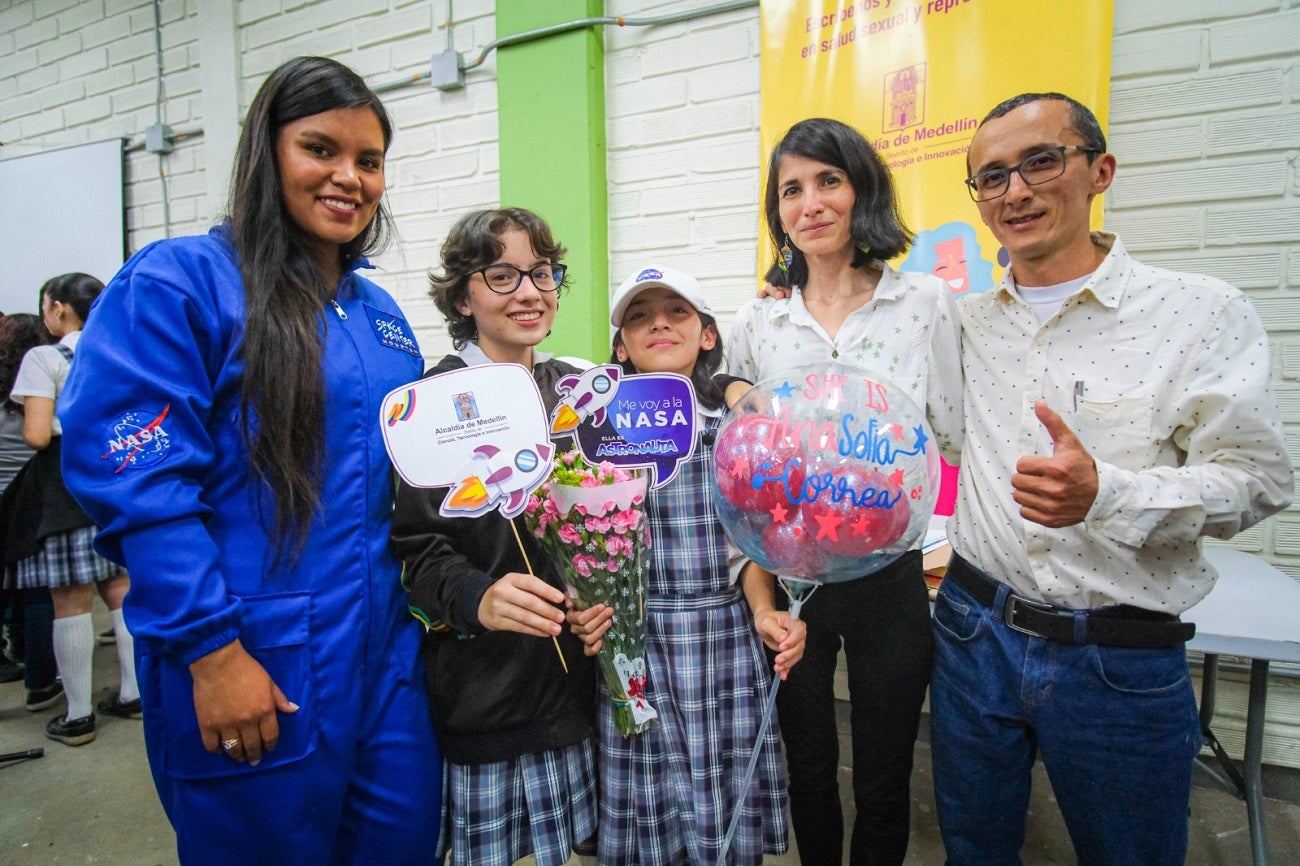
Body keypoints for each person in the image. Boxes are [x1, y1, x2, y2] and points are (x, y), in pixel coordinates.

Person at [57, 56, 441, 864]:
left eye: (368, 161)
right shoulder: (180, 287)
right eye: (320, 149)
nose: (349, 177)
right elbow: (143, 485)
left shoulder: (381, 317)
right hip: (255, 655)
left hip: (386, 666)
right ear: (267, 154)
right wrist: (211, 652)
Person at [931, 92, 1294, 865]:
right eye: (991, 177)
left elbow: (1259, 479)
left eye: (1040, 161)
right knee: (974, 848)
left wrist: (1110, 494)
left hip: (1117, 656)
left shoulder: (1199, 313)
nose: (1016, 191)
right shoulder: (962, 321)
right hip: (973, 633)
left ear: (1100, 171)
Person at [727, 117, 963, 865]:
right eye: (790, 189)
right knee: (809, 764)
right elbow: (730, 420)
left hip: (890, 575)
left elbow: (952, 432)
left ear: (862, 190)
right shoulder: (759, 318)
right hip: (795, 576)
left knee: (888, 771)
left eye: (828, 180)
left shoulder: (923, 303)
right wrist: (731, 385)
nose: (811, 203)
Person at [568, 265, 806, 865]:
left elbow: (750, 544)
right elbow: (577, 542)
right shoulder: (596, 433)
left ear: (706, 334)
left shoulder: (737, 423)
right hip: (634, 641)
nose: (660, 325)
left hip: (722, 637)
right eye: (640, 317)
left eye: (677, 312)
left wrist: (764, 611)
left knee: (720, 807)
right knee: (649, 812)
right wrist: (585, 600)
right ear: (620, 345)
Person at [390, 207, 599, 866]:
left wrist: (603, 600)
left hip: (574, 697)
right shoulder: (431, 405)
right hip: (488, 700)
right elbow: (414, 552)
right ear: (463, 295)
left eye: (541, 272)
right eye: (502, 276)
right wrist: (476, 595)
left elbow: (606, 529)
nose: (530, 292)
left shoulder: (575, 389)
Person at [6, 274, 139, 745]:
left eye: (47, 306)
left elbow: (38, 435)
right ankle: (132, 694)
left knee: (69, 599)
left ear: (59, 309)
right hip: (116, 476)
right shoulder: (116, 349)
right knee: (120, 588)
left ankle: (79, 714)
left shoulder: (44, 357)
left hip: (64, 485)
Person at [0, 312, 55, 692]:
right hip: (35, 499)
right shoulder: (46, 387)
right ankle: (40, 678)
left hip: (3, 496)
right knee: (38, 591)